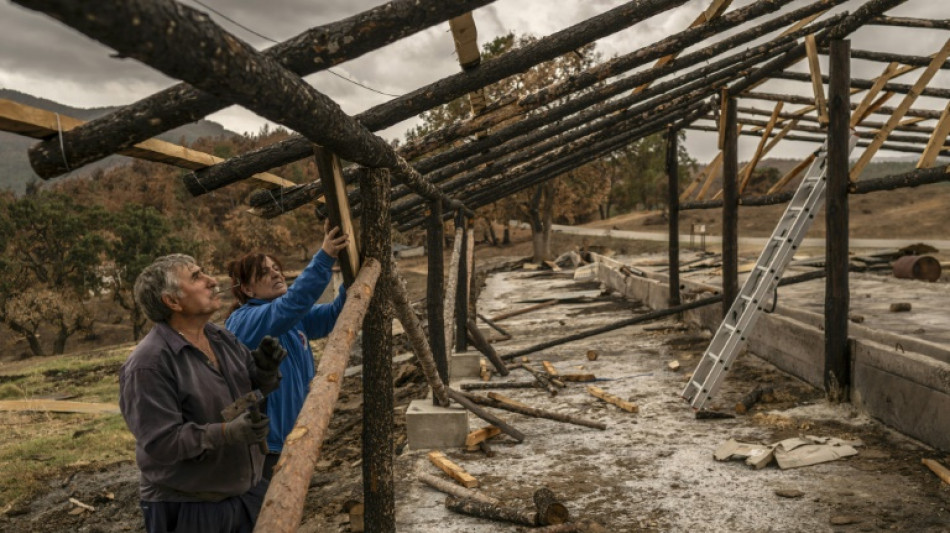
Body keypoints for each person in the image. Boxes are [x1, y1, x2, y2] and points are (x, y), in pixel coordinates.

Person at [120, 254, 288, 533]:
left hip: (246, 494)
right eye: (197, 277)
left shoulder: (220, 338)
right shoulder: (148, 365)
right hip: (191, 509)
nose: (212, 281)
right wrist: (226, 433)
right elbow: (162, 442)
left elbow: (250, 394)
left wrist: (266, 372)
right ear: (172, 301)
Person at [225, 222, 349, 478]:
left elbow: (333, 315)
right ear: (247, 289)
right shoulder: (244, 320)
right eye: (264, 272)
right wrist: (324, 257)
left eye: (276, 268)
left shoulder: (293, 318)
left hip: (295, 435)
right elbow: (290, 305)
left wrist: (352, 278)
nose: (276, 274)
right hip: (266, 444)